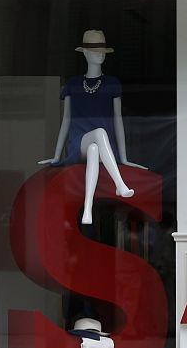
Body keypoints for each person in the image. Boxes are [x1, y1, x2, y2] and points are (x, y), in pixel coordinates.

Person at [39, 30, 145, 225]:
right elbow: (66, 120)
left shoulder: (111, 84)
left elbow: (118, 120)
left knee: (95, 147)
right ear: (85, 54)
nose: (101, 54)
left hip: (101, 147)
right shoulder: (74, 84)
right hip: (78, 143)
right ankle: (119, 184)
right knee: (99, 133)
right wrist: (56, 155)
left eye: (103, 50)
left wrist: (124, 157)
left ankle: (87, 209)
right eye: (96, 51)